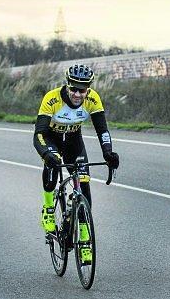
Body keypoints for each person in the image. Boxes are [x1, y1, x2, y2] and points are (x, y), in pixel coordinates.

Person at [33, 64, 120, 263]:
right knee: (52, 168)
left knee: (84, 187)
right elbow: (39, 133)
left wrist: (108, 152)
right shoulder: (52, 98)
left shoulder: (93, 98)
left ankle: (85, 240)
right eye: (73, 88)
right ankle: (47, 209)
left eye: (82, 90)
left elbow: (102, 130)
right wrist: (46, 154)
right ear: (67, 85)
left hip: (74, 142)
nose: (78, 94)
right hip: (51, 138)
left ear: (88, 89)